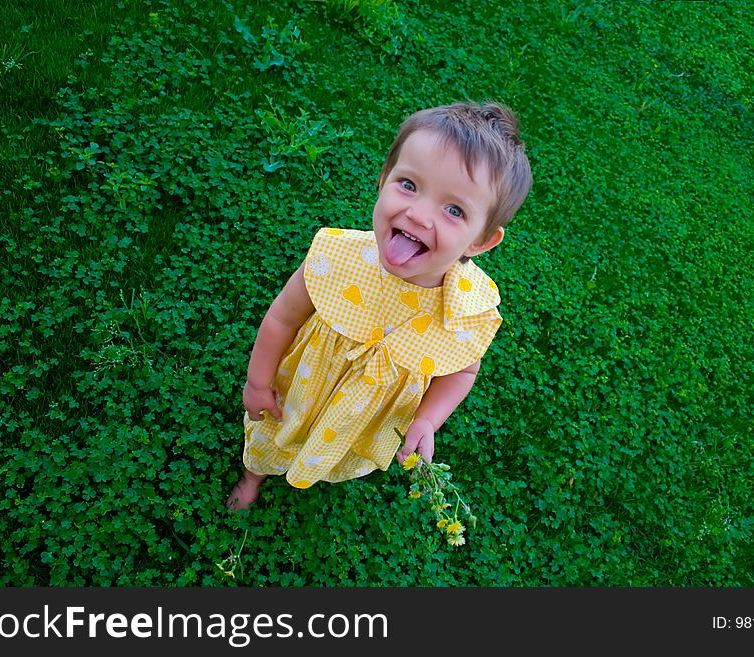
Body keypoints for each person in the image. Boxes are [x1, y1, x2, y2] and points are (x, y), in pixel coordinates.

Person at [227, 101, 532, 510]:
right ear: (383, 178)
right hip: (301, 388)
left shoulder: (468, 310)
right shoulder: (337, 258)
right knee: (275, 432)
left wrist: (426, 419)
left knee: (335, 449)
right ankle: (254, 474)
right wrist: (258, 384)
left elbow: (463, 370)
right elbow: (283, 317)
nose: (418, 213)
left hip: (365, 415)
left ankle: (317, 462)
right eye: (408, 184)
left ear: (480, 242)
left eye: (454, 210)